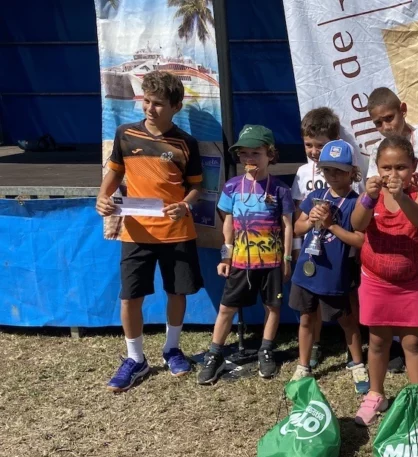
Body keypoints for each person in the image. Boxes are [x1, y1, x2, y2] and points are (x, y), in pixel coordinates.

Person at [96, 70, 204, 392]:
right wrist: (102, 197)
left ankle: (172, 348)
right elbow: (113, 176)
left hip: (177, 232)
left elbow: (197, 188)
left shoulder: (187, 143)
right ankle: (135, 359)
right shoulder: (125, 134)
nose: (149, 108)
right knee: (130, 297)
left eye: (158, 103)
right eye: (146, 101)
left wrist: (185, 205)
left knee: (177, 292)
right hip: (135, 233)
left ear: (176, 106)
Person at [196, 125, 294, 385]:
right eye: (244, 154)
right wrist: (225, 257)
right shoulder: (232, 187)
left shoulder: (281, 189)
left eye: (256, 153)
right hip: (240, 261)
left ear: (270, 154)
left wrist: (287, 259)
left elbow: (288, 226)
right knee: (227, 308)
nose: (249, 159)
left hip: (272, 262)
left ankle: (266, 348)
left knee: (273, 306)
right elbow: (227, 224)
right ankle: (214, 353)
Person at [351, 136, 418, 426]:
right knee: (377, 341)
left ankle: (417, 399)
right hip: (376, 281)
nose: (392, 174)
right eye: (386, 167)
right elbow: (357, 224)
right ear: (376, 168)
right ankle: (376, 394)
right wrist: (367, 197)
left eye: (400, 167)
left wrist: (401, 197)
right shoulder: (371, 195)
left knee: (413, 342)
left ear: (413, 167)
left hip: (411, 283)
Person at [366, 87, 418, 373]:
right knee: (395, 285)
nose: (385, 126)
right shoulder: (378, 150)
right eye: (378, 123)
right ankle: (403, 348)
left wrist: (416, 188)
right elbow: (371, 190)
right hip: (391, 229)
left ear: (402, 109)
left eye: (389, 118)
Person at [290, 140, 369, 394]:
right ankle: (303, 366)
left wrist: (331, 225)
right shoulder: (314, 197)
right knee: (305, 319)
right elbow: (297, 227)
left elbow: (360, 240)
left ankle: (357, 364)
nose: (333, 176)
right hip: (307, 270)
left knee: (347, 321)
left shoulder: (356, 203)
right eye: (328, 170)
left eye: (339, 170)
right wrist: (310, 219)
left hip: (334, 274)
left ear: (352, 173)